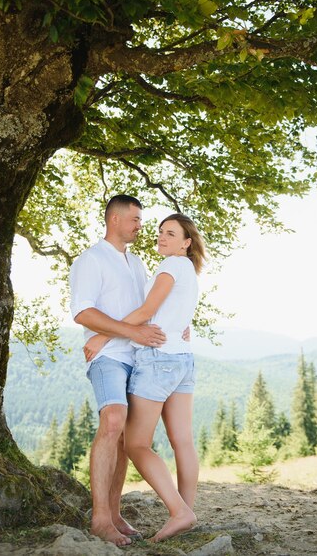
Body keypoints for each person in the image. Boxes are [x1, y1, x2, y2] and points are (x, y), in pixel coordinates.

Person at [84, 213, 206, 542]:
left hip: (157, 360)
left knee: (135, 443)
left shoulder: (169, 267)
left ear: (186, 242)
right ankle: (186, 511)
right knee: (183, 441)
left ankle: (180, 512)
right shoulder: (189, 271)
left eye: (170, 233)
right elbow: (176, 313)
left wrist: (102, 337)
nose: (161, 237)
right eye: (159, 232)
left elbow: (144, 312)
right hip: (183, 359)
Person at [69, 194, 167, 547]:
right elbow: (82, 312)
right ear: (115, 219)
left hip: (139, 357)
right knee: (112, 421)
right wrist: (109, 336)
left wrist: (177, 325)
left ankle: (113, 512)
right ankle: (99, 519)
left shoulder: (137, 263)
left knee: (127, 437)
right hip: (108, 357)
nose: (141, 226)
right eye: (136, 219)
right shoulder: (90, 260)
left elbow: (147, 310)